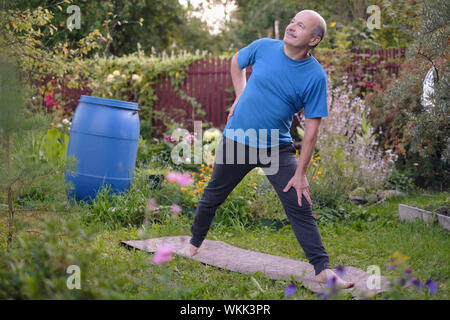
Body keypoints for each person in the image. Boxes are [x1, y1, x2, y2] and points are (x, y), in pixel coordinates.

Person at [182, 10, 354, 289]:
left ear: (314, 39)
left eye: (301, 26)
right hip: (237, 140)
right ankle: (193, 244)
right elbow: (235, 62)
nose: (292, 27)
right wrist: (240, 94)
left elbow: (312, 132)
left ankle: (322, 270)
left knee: (300, 203)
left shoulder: (315, 77)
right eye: (293, 21)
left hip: (276, 148)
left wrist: (300, 173)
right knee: (213, 194)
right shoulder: (264, 47)